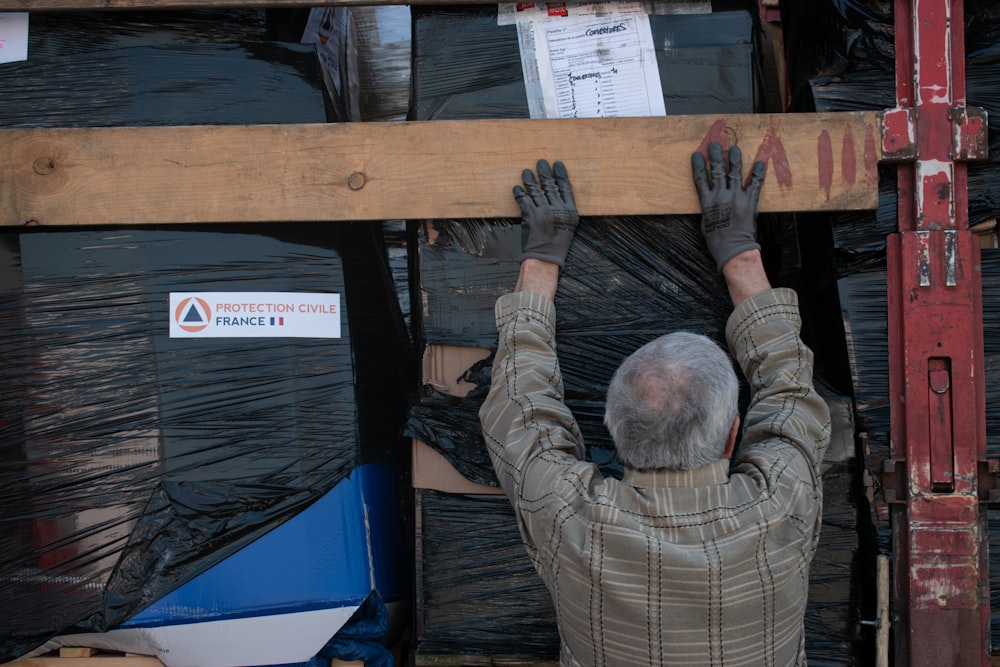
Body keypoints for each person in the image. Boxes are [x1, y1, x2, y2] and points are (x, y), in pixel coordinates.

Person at [478, 144, 832, 666]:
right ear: (734, 434)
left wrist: (543, 255)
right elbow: (789, 388)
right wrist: (739, 251)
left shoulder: (566, 515)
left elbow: (518, 405)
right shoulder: (783, 501)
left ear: (613, 435)